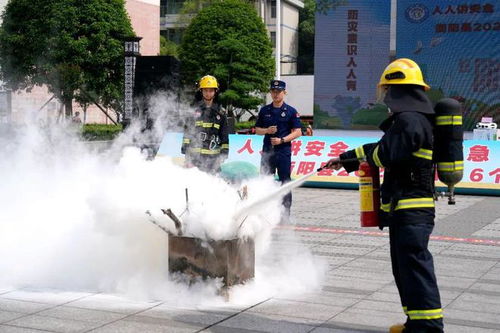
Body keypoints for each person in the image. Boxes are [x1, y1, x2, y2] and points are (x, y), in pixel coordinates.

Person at [324, 58, 443, 333]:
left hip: (412, 209)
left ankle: (429, 328)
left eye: (388, 90)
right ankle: (416, 322)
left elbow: (385, 153)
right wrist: (344, 159)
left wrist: (369, 158)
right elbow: (380, 147)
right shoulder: (409, 120)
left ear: (399, 90)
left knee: (414, 268)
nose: (385, 97)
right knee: (404, 269)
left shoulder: (410, 121)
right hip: (405, 209)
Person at [255, 79, 302, 221]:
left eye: (279, 92)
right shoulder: (264, 110)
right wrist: (267, 130)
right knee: (265, 181)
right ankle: (265, 211)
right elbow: (257, 130)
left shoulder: (291, 111)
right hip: (268, 152)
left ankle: (285, 213)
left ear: (284, 93)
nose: (276, 95)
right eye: (273, 92)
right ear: (270, 93)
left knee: (285, 182)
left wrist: (282, 140)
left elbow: (298, 132)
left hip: (283, 152)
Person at [181, 75, 229, 174]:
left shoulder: (221, 113)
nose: (208, 93)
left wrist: (224, 152)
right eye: (205, 90)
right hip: (195, 157)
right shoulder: (193, 110)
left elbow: (224, 135)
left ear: (215, 92)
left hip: (213, 159)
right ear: (201, 91)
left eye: (211, 90)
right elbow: (188, 130)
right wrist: (185, 147)